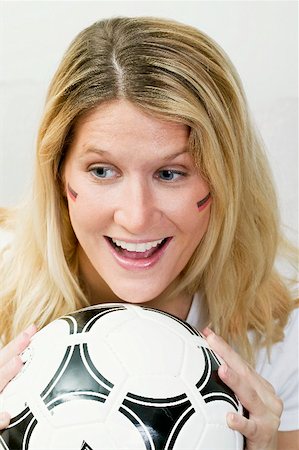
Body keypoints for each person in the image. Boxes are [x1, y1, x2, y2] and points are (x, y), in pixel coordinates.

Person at [0, 16, 298, 449]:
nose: (136, 217)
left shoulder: (278, 328)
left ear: (223, 180)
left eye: (170, 173)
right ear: (59, 173)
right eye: (103, 171)